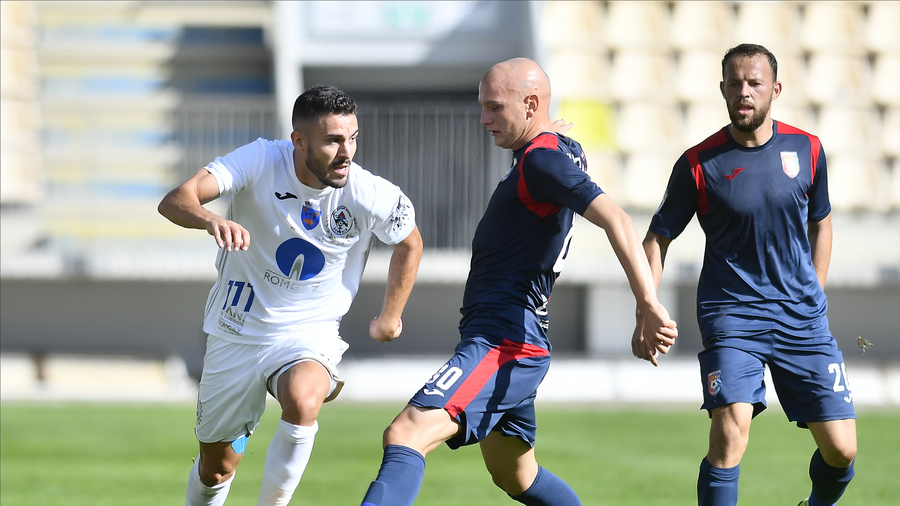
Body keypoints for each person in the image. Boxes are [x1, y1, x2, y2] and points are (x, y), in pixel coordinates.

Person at [359, 57, 678, 506]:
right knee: (516, 475)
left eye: (494, 108)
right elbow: (559, 148)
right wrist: (552, 132)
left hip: (504, 339)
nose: (484, 119)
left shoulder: (542, 161)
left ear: (530, 105)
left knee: (407, 433)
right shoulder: (554, 153)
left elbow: (618, 219)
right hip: (508, 334)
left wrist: (646, 301)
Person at [158, 85, 423, 506]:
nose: (347, 152)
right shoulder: (261, 159)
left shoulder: (367, 191)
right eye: (333, 140)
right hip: (236, 328)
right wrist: (211, 220)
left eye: (352, 137)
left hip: (308, 330)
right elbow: (176, 200)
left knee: (302, 399)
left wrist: (390, 316)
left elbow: (409, 242)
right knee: (218, 467)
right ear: (299, 141)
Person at [637, 43, 857, 506]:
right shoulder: (698, 163)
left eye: (754, 83)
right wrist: (647, 306)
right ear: (721, 89)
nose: (744, 92)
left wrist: (814, 289)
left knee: (841, 450)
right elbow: (656, 239)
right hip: (732, 316)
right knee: (729, 434)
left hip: (802, 318)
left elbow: (822, 222)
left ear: (775, 89)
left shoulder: (808, 149)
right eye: (734, 83)